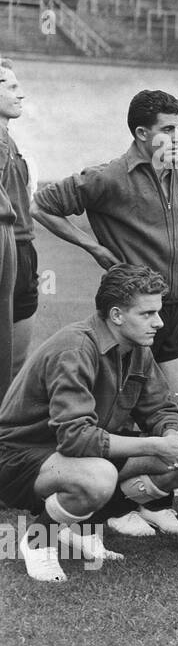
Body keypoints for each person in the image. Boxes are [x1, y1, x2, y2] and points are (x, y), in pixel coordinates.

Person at [0, 265, 178, 581]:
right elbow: (76, 439)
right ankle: (37, 541)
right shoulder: (75, 348)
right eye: (147, 314)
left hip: (77, 450)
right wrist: (154, 444)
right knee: (98, 476)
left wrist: (174, 435)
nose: (159, 323)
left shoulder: (137, 348)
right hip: (21, 457)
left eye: (158, 312)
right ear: (117, 315)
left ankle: (80, 527)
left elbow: (160, 408)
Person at [33, 89, 178, 429]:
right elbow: (41, 205)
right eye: (167, 130)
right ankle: (112, 478)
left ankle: (163, 475)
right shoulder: (107, 177)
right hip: (131, 309)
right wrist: (92, 247)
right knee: (116, 414)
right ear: (142, 133)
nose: (177, 137)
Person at [0, 58, 31, 395]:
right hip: (10, 246)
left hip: (23, 247)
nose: (21, 95)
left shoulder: (8, 139)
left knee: (13, 361)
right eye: (10, 86)